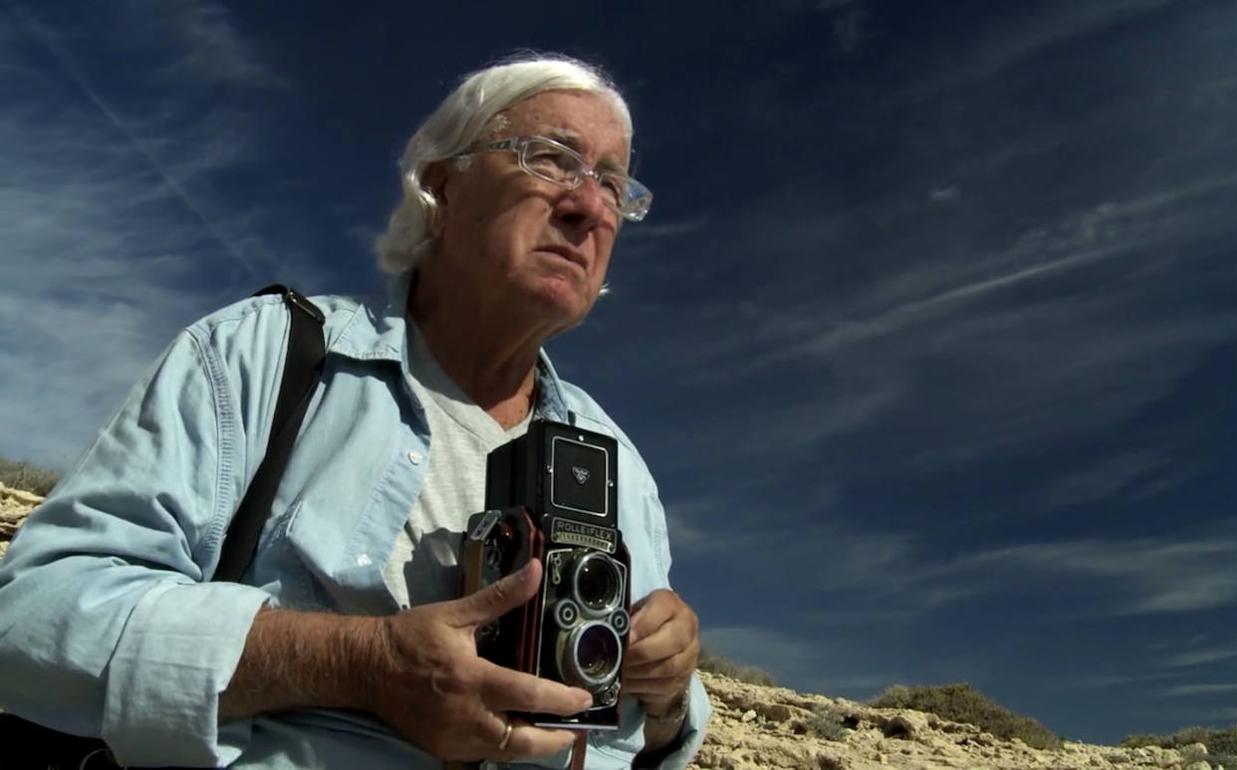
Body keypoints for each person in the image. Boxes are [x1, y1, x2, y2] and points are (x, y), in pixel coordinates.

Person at [0, 53, 709, 769]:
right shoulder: (264, 355)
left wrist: (674, 692)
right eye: (552, 159)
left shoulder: (617, 464)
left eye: (613, 185)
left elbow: (650, 740)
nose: (588, 206)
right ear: (441, 184)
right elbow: (33, 620)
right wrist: (363, 665)